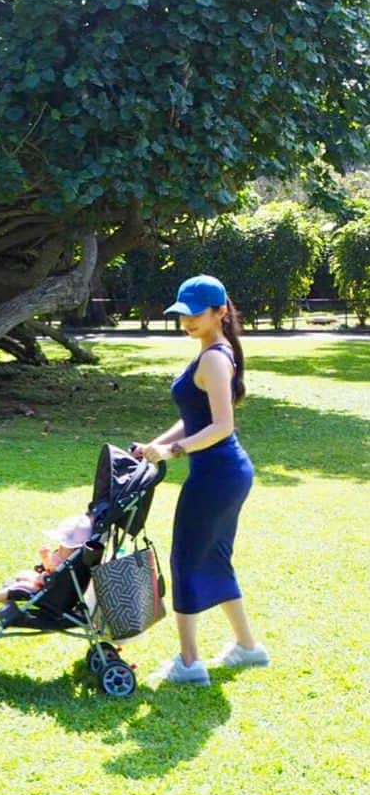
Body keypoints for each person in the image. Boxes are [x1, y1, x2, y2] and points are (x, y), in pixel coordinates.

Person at [132, 274, 269, 686]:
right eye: (182, 315)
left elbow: (222, 426)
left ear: (219, 312)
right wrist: (155, 445)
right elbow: (196, 417)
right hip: (225, 474)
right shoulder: (212, 352)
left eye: (195, 314)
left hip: (218, 474)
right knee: (214, 557)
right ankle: (248, 648)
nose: (187, 321)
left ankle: (190, 663)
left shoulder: (213, 357)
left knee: (186, 561)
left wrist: (172, 452)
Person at [0, 513, 93, 603]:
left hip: (54, 591)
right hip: (48, 582)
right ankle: (9, 591)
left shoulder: (72, 561)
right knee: (23, 574)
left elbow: (54, 573)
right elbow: (50, 570)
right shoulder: (68, 555)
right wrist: (46, 561)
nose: (62, 547)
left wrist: (46, 559)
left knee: (22, 587)